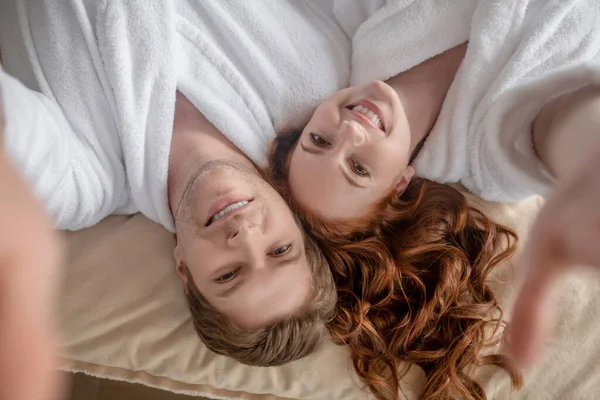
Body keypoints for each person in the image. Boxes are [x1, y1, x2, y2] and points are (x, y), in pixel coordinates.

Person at [269, 1, 600, 399]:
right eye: (358, 169)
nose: (350, 132)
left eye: (318, 141)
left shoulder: (363, 31)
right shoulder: (490, 155)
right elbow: (563, 116)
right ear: (399, 184)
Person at [0, 0, 345, 380]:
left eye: (228, 275)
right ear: (296, 223)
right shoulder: (310, 83)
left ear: (184, 268)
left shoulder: (86, 183)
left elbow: (21, 146)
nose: (244, 236)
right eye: (280, 250)